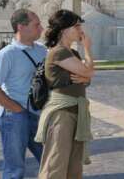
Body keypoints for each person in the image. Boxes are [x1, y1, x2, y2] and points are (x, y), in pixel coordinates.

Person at [35, 9, 95, 179]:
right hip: (61, 113)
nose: (80, 30)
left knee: (74, 166)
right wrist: (87, 49)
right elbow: (89, 71)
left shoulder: (72, 53)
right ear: (64, 30)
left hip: (76, 112)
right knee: (55, 165)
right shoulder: (58, 52)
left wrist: (85, 78)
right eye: (76, 26)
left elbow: (86, 78)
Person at [0, 10, 47, 179]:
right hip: (14, 117)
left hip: (38, 115)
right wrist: (18, 110)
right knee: (15, 170)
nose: (41, 28)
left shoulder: (42, 50)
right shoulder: (7, 54)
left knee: (50, 160)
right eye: (36, 25)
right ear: (21, 27)